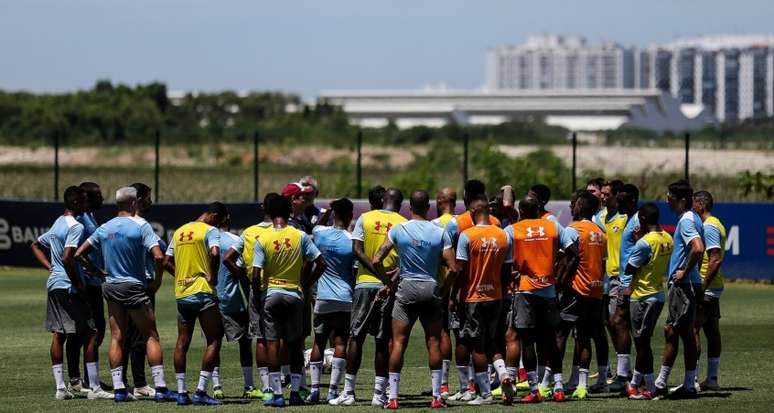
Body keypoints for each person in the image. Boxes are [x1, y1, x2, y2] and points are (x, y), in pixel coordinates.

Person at [74, 186, 174, 402]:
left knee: (117, 337)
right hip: (134, 286)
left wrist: (96, 271)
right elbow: (158, 256)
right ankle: (161, 386)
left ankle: (119, 389)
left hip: (111, 286)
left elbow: (79, 253)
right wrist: (156, 280)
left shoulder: (105, 227)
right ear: (133, 203)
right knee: (150, 335)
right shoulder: (141, 225)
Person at [371, 190, 457, 409]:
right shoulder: (439, 232)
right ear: (428, 207)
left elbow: (376, 259)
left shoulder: (399, 229)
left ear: (410, 207)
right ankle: (437, 397)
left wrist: (389, 283)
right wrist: (443, 290)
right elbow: (454, 268)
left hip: (406, 288)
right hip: (430, 289)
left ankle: (393, 399)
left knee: (398, 342)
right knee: (434, 342)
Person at [329, 188, 406, 407]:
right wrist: (388, 277)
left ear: (382, 200)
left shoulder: (365, 218)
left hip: (364, 284)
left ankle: (349, 392)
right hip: (389, 286)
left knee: (356, 337)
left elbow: (357, 250)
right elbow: (406, 258)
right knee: (382, 341)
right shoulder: (403, 222)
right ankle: (378, 395)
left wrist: (374, 270)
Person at [252, 195, 327, 407]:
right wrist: (304, 285)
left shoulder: (263, 239)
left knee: (273, 345)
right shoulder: (300, 236)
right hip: (294, 295)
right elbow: (321, 263)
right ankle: (295, 393)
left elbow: (256, 275)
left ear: (271, 213)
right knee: (295, 346)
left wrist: (258, 297)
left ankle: (277, 395)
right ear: (289, 213)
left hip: (271, 295)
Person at [30, 186, 105, 401]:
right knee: (91, 332)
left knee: (59, 334)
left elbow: (35, 245)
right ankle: (95, 388)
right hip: (68, 286)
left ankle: (61, 388)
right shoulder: (76, 226)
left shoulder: (57, 223)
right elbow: (67, 257)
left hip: (54, 284)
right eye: (82, 201)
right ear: (74, 203)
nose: (85, 205)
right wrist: (78, 285)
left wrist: (49, 268)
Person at [164, 202, 229, 406]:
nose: (220, 224)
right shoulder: (211, 230)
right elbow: (216, 253)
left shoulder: (180, 231)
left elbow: (166, 261)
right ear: (214, 215)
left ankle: (182, 393)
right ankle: (201, 391)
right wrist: (213, 276)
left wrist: (181, 276)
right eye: (220, 220)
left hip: (183, 293)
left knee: (182, 342)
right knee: (214, 340)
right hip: (203, 293)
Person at [451, 201, 512, 405]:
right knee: (492, 342)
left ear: (473, 212)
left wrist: (454, 295)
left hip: (473, 298)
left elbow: (460, 270)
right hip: (496, 296)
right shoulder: (503, 235)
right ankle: (503, 375)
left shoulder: (467, 235)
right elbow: (507, 271)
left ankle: (485, 394)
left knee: (477, 347)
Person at [504, 197, 564, 403]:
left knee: (527, 341)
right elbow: (573, 250)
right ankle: (559, 387)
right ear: (539, 209)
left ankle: (534, 390)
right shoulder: (552, 226)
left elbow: (503, 259)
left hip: (525, 290)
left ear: (520, 211)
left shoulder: (513, 230)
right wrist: (557, 273)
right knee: (550, 340)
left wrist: (510, 274)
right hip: (548, 290)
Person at [445, 180, 500, 402]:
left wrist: (451, 293)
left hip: (468, 292)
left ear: (466, 199)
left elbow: (451, 261)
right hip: (494, 292)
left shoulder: (456, 224)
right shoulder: (496, 223)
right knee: (489, 341)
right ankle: (490, 381)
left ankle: (467, 387)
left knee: (463, 339)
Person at [223, 194, 277, 402]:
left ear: (263, 208)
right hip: (283, 288)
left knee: (261, 338)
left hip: (257, 289)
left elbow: (228, 258)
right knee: (282, 338)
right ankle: (287, 382)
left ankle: (267, 388)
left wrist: (243, 276)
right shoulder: (287, 232)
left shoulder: (249, 232)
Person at [654, 180, 705, 399]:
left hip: (683, 285)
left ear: (681, 199)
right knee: (680, 332)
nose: (667, 199)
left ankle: (667, 383)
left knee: (675, 331)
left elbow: (698, 248)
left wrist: (683, 271)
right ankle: (679, 383)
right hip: (688, 285)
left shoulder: (686, 221)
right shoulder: (693, 218)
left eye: (670, 196)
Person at [555, 191, 607, 401]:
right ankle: (582, 386)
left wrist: (559, 283)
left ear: (581, 208)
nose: (573, 206)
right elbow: (602, 263)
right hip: (595, 290)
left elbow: (567, 259)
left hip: (575, 290)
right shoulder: (600, 231)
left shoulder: (573, 229)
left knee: (560, 335)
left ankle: (555, 382)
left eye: (576, 204)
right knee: (584, 337)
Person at [621, 202, 672, 400]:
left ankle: (652, 388)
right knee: (644, 341)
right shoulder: (667, 237)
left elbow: (629, 268)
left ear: (642, 220)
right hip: (658, 294)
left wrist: (636, 242)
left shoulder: (644, 243)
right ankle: (635, 384)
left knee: (642, 344)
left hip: (641, 296)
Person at [308, 198, 356, 403]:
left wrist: (328, 210)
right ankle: (333, 391)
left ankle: (315, 390)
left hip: (323, 296)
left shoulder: (320, 233)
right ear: (350, 215)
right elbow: (353, 273)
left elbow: (317, 225)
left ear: (334, 214)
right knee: (340, 341)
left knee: (319, 340)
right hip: (344, 296)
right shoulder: (352, 239)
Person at [212, 214, 260, 399]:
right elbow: (242, 268)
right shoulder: (235, 240)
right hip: (232, 300)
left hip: (210, 299)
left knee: (213, 344)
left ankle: (216, 387)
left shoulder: (207, 239)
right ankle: (248, 386)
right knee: (245, 342)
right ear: (227, 219)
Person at [119, 182, 159, 398]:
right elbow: (159, 253)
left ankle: (122, 382)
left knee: (123, 335)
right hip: (141, 284)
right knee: (142, 335)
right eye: (148, 197)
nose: (151, 201)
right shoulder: (142, 225)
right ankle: (140, 384)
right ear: (139, 199)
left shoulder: (118, 224)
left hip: (119, 284)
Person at [66, 182, 106, 395]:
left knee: (96, 329)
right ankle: (75, 378)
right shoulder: (80, 220)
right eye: (98, 195)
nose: (103, 199)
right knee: (81, 332)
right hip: (86, 283)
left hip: (94, 283)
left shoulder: (89, 216)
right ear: (88, 198)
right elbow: (73, 253)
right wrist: (90, 271)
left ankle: (91, 377)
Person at [589, 179, 626, 393]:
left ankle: (625, 373)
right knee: (606, 324)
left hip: (618, 277)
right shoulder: (599, 218)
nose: (602, 197)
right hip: (602, 279)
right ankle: (613, 371)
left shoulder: (627, 218)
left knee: (617, 323)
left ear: (617, 196)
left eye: (606, 194)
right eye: (601, 193)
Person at [693, 190, 726, 391]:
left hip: (707, 287)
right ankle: (712, 379)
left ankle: (693, 380)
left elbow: (715, 259)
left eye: (694, 204)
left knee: (692, 330)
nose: (692, 208)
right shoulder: (716, 223)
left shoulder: (710, 226)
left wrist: (702, 286)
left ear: (701, 205)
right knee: (712, 331)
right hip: (713, 286)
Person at [609, 183, 640, 393]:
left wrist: (630, 283)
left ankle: (626, 374)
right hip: (625, 280)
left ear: (632, 201)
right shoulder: (629, 219)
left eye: (621, 200)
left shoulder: (638, 221)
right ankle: (631, 374)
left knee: (621, 322)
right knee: (621, 323)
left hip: (630, 283)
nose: (617, 203)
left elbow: (643, 252)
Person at [431, 187, 457, 398]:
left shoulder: (434, 225)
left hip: (441, 285)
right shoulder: (465, 222)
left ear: (440, 202)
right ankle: (471, 385)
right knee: (467, 337)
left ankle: (444, 384)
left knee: (443, 332)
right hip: (465, 285)